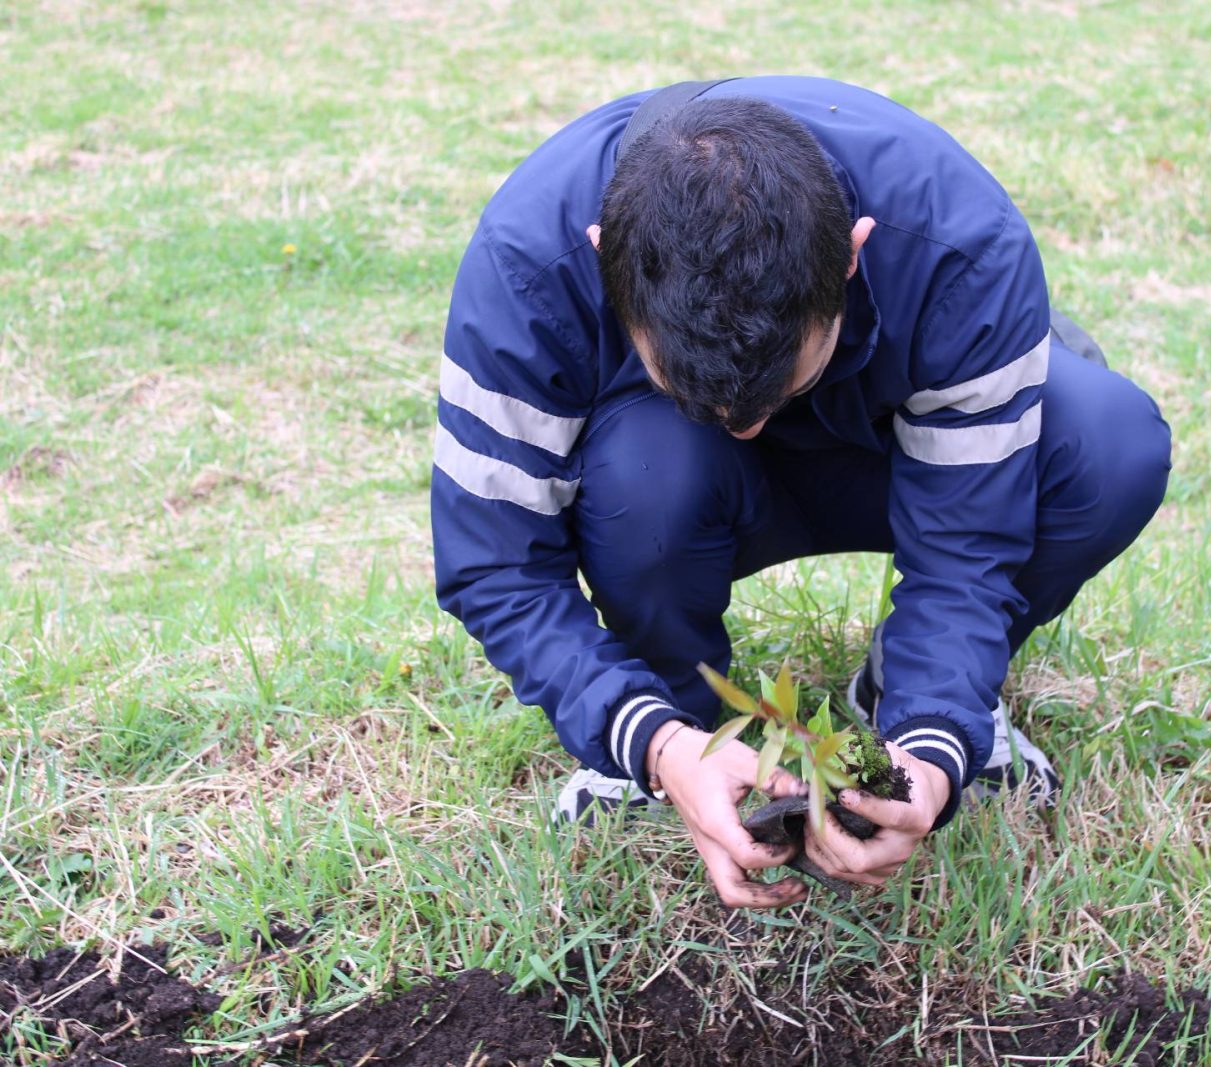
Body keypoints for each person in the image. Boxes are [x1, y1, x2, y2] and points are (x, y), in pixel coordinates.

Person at [431, 77, 1171, 909]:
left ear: (853, 253)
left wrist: (933, 745)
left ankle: (901, 692)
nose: (748, 426)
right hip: (671, 479)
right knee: (645, 471)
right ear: (605, 259)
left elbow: (970, 541)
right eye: (696, 393)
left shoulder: (958, 242)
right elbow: (495, 564)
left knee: (1106, 448)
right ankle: (670, 715)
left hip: (893, 455)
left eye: (781, 384)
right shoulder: (529, 266)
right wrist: (652, 738)